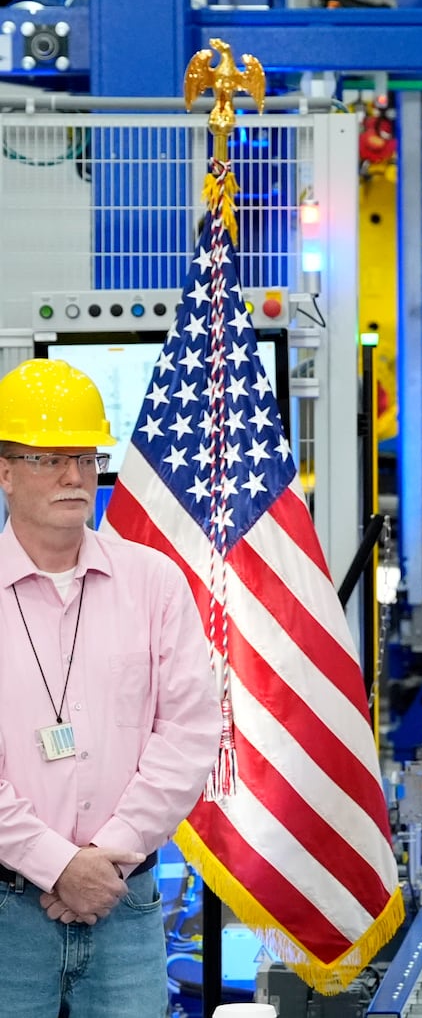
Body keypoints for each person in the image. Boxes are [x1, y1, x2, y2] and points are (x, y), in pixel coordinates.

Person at [0, 359, 221, 1016]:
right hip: (9, 911)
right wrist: (56, 864)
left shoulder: (153, 584)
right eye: (49, 459)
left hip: (125, 908)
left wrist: (103, 860)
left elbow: (189, 733)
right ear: (4, 471)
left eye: (86, 457)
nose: (74, 477)